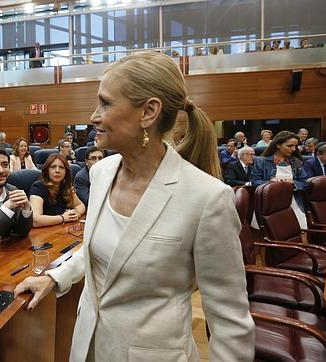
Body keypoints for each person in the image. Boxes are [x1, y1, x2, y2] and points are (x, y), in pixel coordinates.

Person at [15, 52, 254, 361]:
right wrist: (55, 277)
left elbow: (230, 323)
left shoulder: (207, 198)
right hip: (88, 346)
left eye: (105, 103)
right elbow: (100, 252)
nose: (93, 116)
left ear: (148, 112)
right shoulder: (101, 173)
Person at [250, 130, 308, 227]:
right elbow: (255, 182)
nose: (293, 149)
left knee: (299, 231)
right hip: (269, 203)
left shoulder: (297, 162)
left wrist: (293, 183)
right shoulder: (261, 161)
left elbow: (305, 183)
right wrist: (270, 184)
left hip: (294, 203)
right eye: (289, 146)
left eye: (295, 146)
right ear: (278, 145)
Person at [29, 154, 85, 227]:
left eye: (61, 167)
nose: (57, 171)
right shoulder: (37, 187)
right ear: (47, 170)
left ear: (66, 172)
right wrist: (63, 218)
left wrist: (76, 213)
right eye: (53, 167)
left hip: (61, 229)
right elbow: (35, 220)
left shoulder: (66, 186)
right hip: (43, 232)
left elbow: (80, 205)